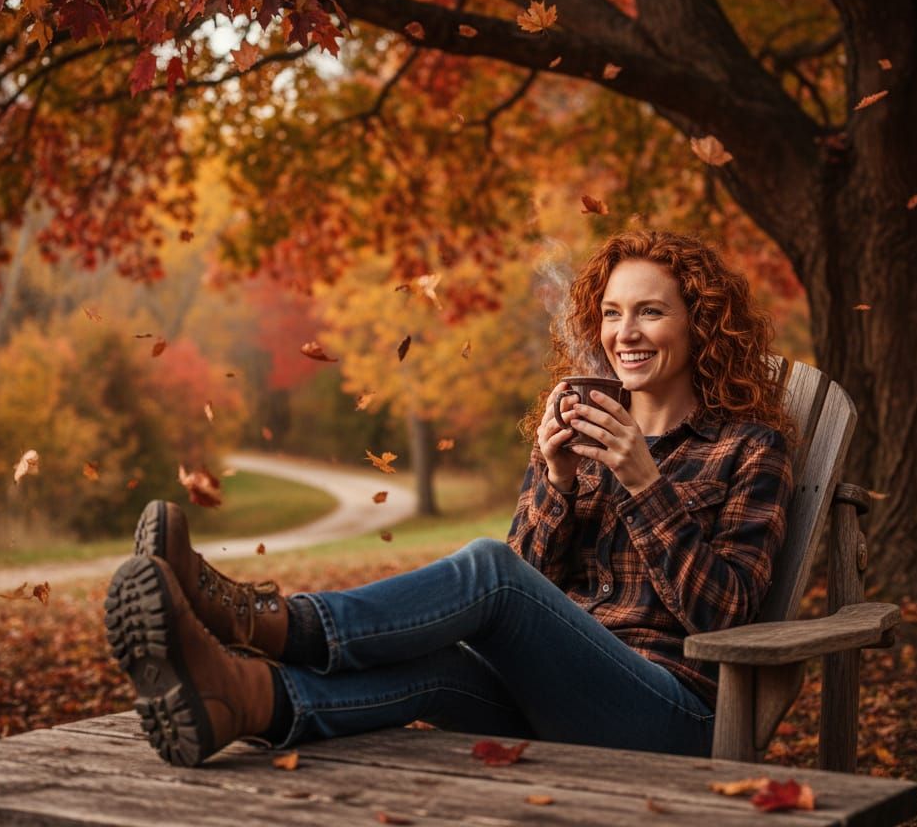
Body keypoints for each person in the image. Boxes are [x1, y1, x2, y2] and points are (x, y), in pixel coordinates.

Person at [105, 229, 795, 767]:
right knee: (441, 666)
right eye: (613, 313)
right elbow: (521, 600)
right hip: (554, 701)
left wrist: (645, 482)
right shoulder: (589, 437)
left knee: (488, 567)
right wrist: (555, 482)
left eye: (651, 311)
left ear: (698, 323)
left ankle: (264, 620)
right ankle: (242, 700)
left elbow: (726, 614)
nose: (625, 332)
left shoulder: (749, 449)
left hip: (667, 718)